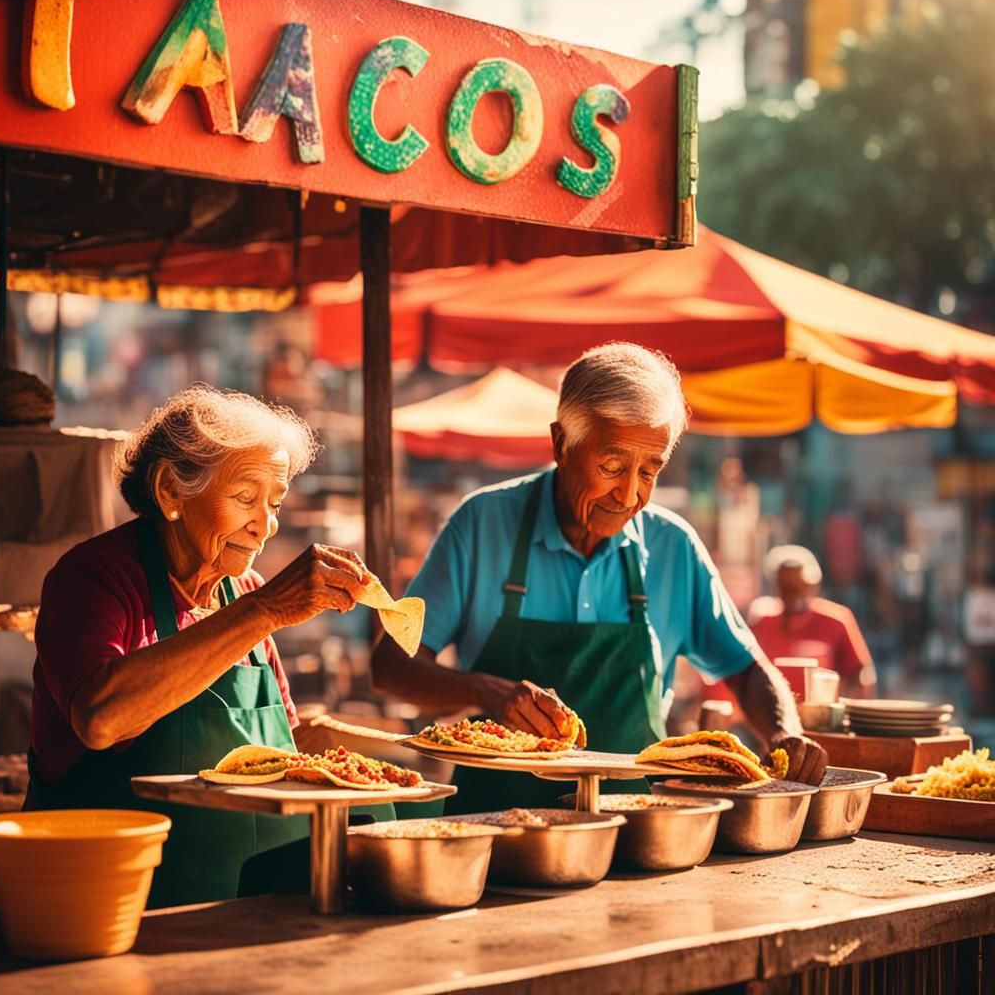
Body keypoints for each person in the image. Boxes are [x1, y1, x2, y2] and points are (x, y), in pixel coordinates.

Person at [371, 343, 826, 812]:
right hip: (492, 828)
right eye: (611, 467)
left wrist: (785, 732)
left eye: (648, 471)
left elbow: (746, 671)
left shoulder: (673, 546)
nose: (628, 496)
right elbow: (390, 666)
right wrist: (486, 690)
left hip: (636, 831)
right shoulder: (482, 524)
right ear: (561, 444)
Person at [28, 385, 372, 907]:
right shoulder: (92, 578)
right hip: (108, 894)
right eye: (245, 499)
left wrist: (378, 753)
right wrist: (265, 611)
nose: (265, 527)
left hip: (244, 898)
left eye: (274, 503)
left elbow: (283, 747)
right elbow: (100, 719)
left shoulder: (245, 590)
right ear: (171, 491)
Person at [748, 545, 877, 699]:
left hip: (821, 710)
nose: (793, 593)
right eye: (786, 586)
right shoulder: (762, 623)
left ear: (813, 585)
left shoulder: (835, 621)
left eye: (799, 585)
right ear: (776, 586)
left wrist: (848, 703)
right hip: (773, 710)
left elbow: (860, 673)